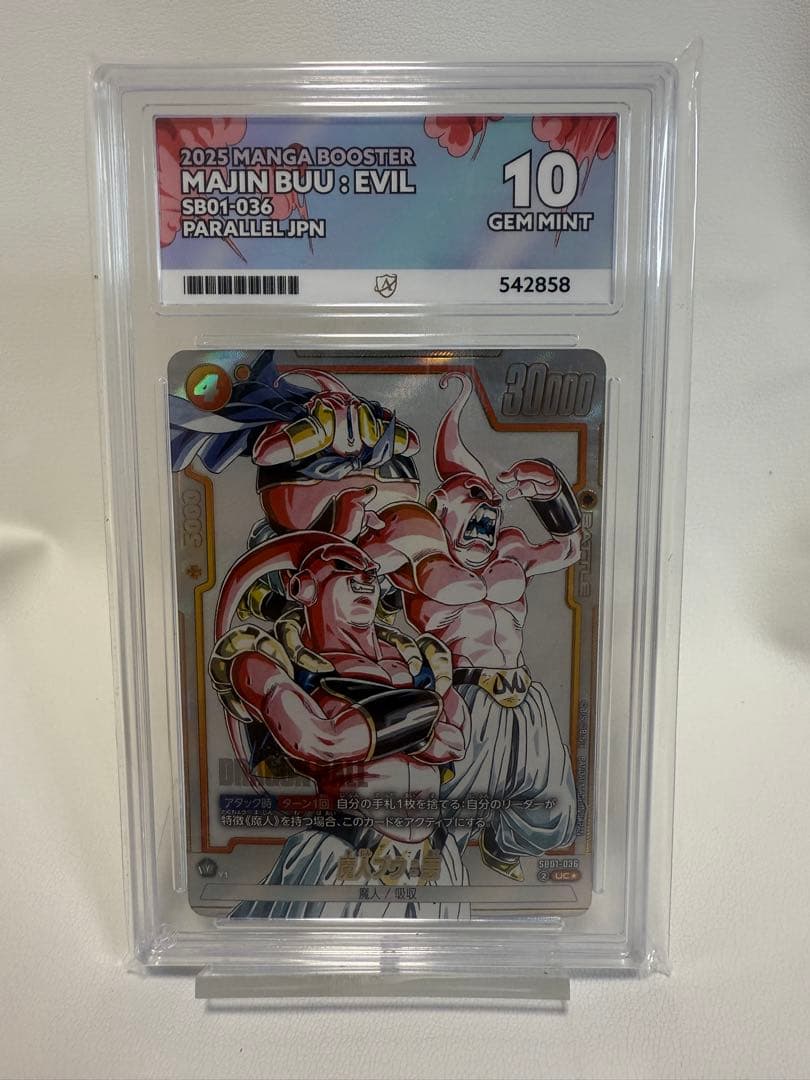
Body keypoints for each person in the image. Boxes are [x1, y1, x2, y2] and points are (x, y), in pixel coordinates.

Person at [209, 531, 470, 917]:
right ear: (303, 586)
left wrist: (373, 726)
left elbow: (456, 741)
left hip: (435, 860)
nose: (363, 579)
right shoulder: (265, 661)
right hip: (344, 856)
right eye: (343, 567)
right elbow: (320, 741)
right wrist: (421, 719)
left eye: (370, 572)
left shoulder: (421, 659)